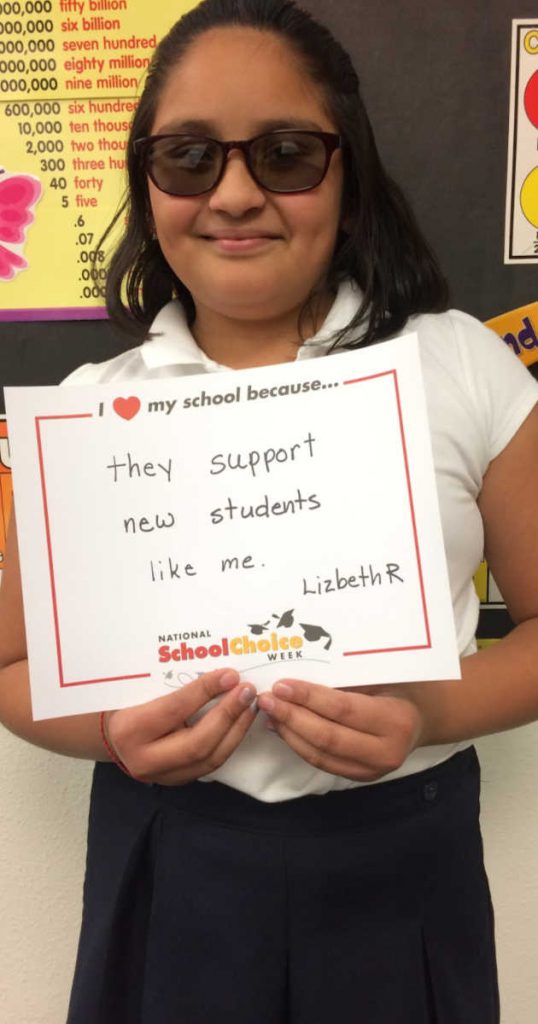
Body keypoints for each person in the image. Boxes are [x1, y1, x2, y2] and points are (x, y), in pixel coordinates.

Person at [1, 1, 537, 1021]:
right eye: (189, 157)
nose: (235, 194)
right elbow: (11, 668)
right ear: (145, 179)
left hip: (403, 857)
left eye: (285, 153)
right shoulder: (84, 409)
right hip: (169, 854)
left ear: (347, 170)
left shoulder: (458, 363)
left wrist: (431, 711)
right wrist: (113, 729)